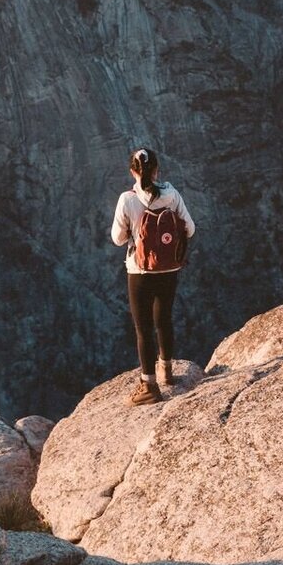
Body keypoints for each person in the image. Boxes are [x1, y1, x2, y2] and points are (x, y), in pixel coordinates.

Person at [111, 146, 196, 406]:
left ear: (132, 172)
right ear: (157, 170)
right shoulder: (171, 195)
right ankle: (166, 371)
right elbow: (190, 229)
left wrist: (134, 231)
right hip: (169, 268)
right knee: (164, 320)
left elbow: (117, 239)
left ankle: (149, 386)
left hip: (140, 270)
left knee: (143, 328)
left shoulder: (127, 199)